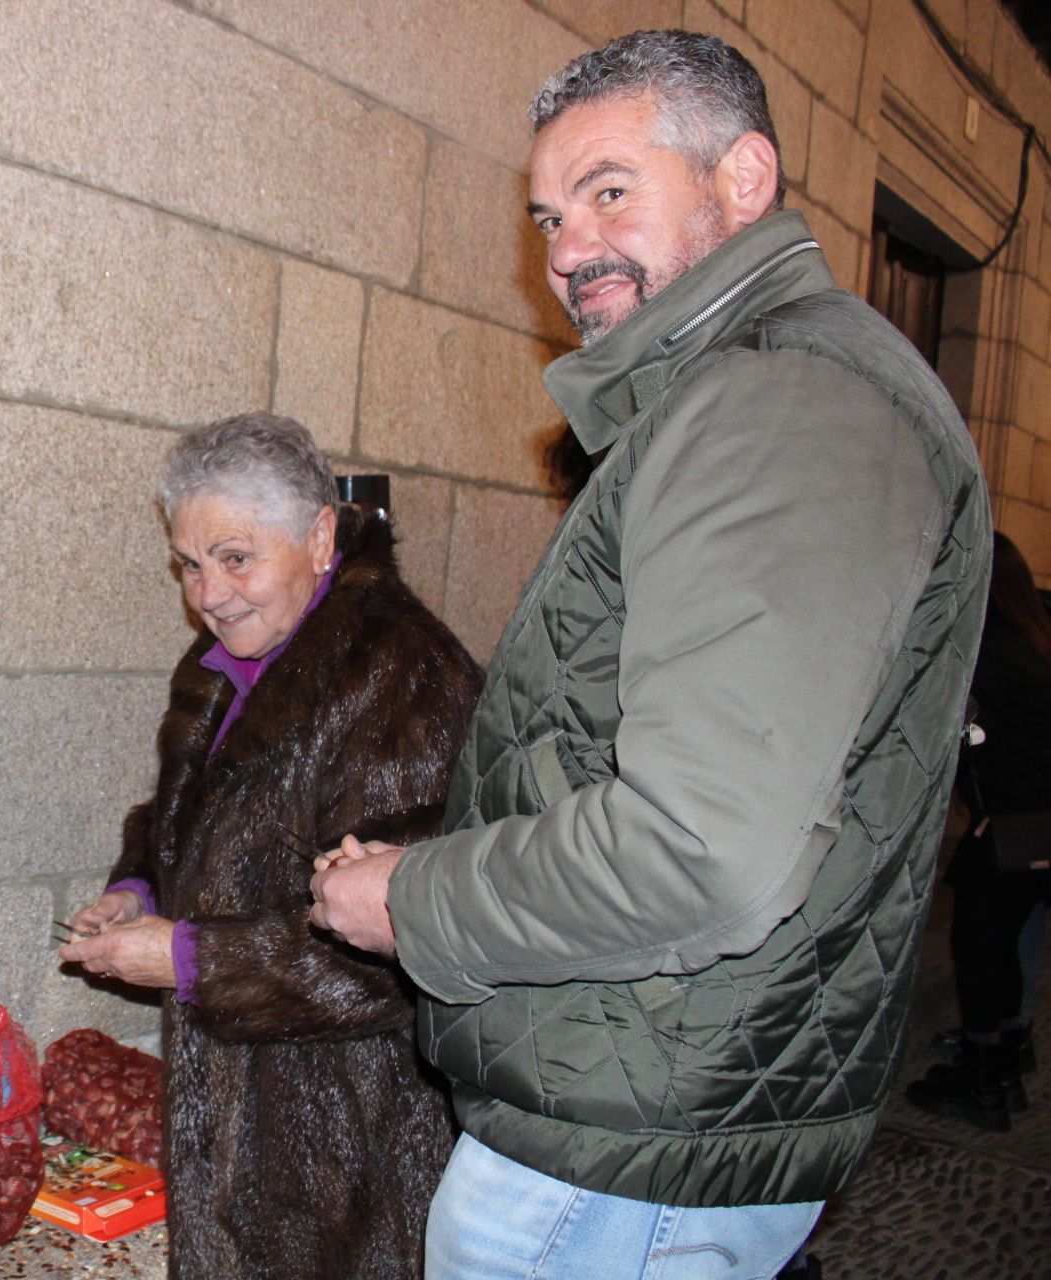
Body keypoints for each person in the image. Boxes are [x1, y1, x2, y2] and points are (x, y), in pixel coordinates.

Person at [308, 29, 990, 1279]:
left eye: (610, 191)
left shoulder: (783, 401)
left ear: (744, 177)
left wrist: (411, 900)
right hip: (645, 1100)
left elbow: (701, 846)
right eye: (548, 217)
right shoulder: (748, 392)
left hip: (628, 1151)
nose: (569, 250)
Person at [58, 413, 481, 1279]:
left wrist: (189, 960)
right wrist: (137, 890)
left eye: (236, 558)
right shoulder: (223, 657)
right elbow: (185, 820)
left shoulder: (399, 672)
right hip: (240, 1122)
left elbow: (402, 944)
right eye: (189, 564)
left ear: (320, 539)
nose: (209, 594)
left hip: (351, 1141)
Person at [907, 532, 1051, 1131]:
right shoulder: (1032, 640)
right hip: (1034, 823)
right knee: (1003, 944)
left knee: (979, 947)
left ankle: (983, 1085)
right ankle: (1004, 1067)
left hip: (1013, 824)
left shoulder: (986, 648)